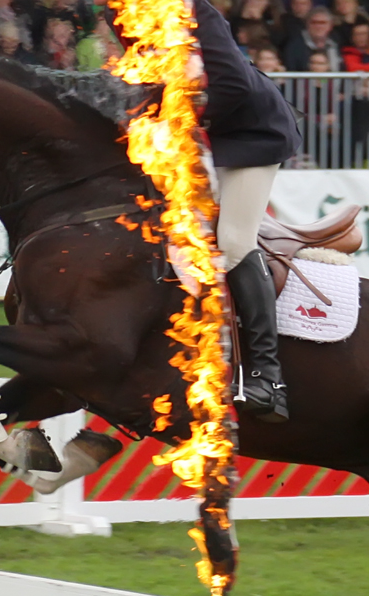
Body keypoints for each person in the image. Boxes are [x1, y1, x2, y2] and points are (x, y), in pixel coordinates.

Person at [105, 0, 301, 422]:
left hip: (251, 133)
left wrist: (172, 124)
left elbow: (232, 85)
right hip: (195, 135)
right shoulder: (119, 13)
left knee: (232, 242)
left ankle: (268, 376)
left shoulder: (193, 10)